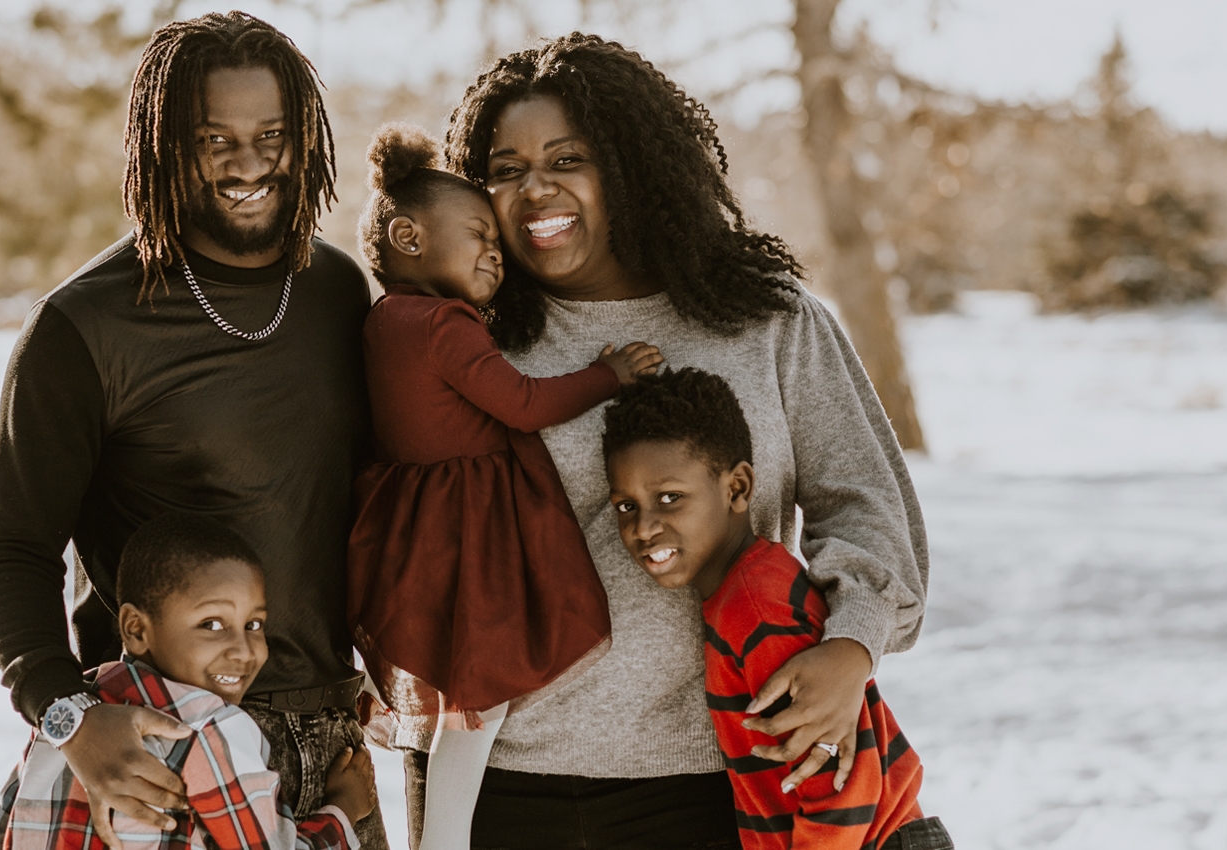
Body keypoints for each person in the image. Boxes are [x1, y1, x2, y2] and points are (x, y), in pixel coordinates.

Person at [418, 34, 931, 848]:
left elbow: (865, 503)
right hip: (508, 785)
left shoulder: (765, 321)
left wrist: (851, 647)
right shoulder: (468, 342)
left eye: (567, 158)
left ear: (629, 165)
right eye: (506, 169)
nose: (535, 188)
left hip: (719, 784)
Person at [0, 12, 384, 849]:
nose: (248, 162)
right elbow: (9, 548)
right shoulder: (84, 325)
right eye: (213, 139)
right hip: (167, 748)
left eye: (271, 134)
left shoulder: (340, 291)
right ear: (162, 146)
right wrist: (73, 722)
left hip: (334, 746)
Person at [344, 124, 662, 848]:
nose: (496, 250)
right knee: (479, 704)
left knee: (465, 701)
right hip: (472, 529)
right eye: (477, 234)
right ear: (409, 238)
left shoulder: (382, 319)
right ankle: (445, 841)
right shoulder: (444, 325)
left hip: (414, 521)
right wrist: (608, 375)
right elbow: (521, 403)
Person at [601, 369, 951, 850]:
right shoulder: (746, 590)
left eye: (669, 498)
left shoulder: (757, 608)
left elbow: (840, 785)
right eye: (626, 507)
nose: (644, 528)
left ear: (738, 488)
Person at [0, 514, 376, 850]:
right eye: (212, 624)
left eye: (254, 624)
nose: (244, 650)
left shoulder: (73, 717)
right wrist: (343, 807)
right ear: (136, 629)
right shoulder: (210, 730)